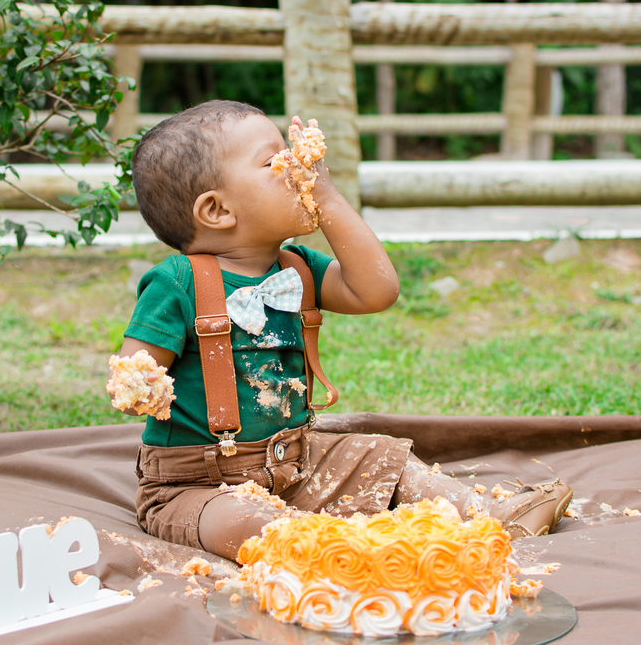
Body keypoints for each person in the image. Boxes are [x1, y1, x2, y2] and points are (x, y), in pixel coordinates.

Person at [113, 99, 571, 560]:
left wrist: (328, 198)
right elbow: (134, 373)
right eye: (275, 161)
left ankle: (486, 518)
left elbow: (377, 291)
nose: (297, 166)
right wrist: (142, 387)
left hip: (298, 463)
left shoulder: (298, 269)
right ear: (217, 210)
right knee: (245, 520)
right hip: (197, 485)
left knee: (382, 457)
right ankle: (342, 552)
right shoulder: (176, 283)